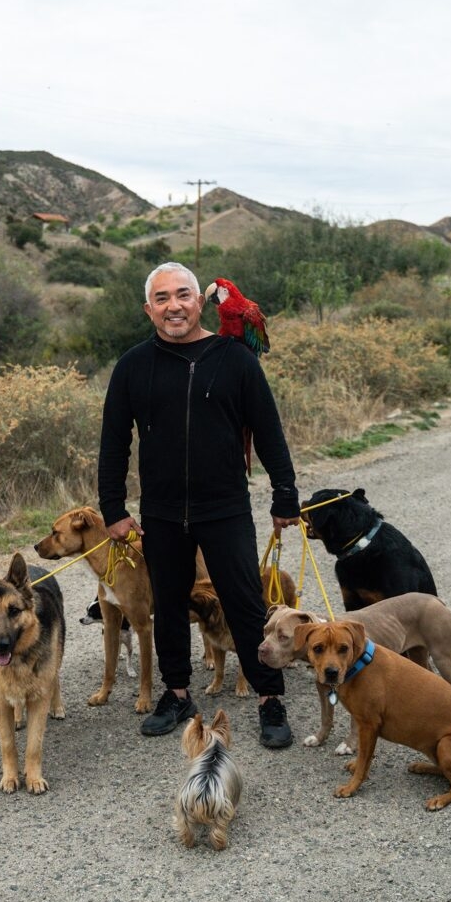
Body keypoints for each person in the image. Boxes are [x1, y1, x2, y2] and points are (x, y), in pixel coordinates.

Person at [98, 262, 301, 748]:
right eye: (163, 298)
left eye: (183, 295)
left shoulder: (235, 358)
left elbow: (269, 431)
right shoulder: (133, 365)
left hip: (225, 506)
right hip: (162, 513)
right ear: (149, 309)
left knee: (245, 603)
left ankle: (270, 699)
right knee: (169, 604)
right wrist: (113, 509)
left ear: (200, 300)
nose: (174, 306)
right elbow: (112, 442)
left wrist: (285, 493)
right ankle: (176, 693)